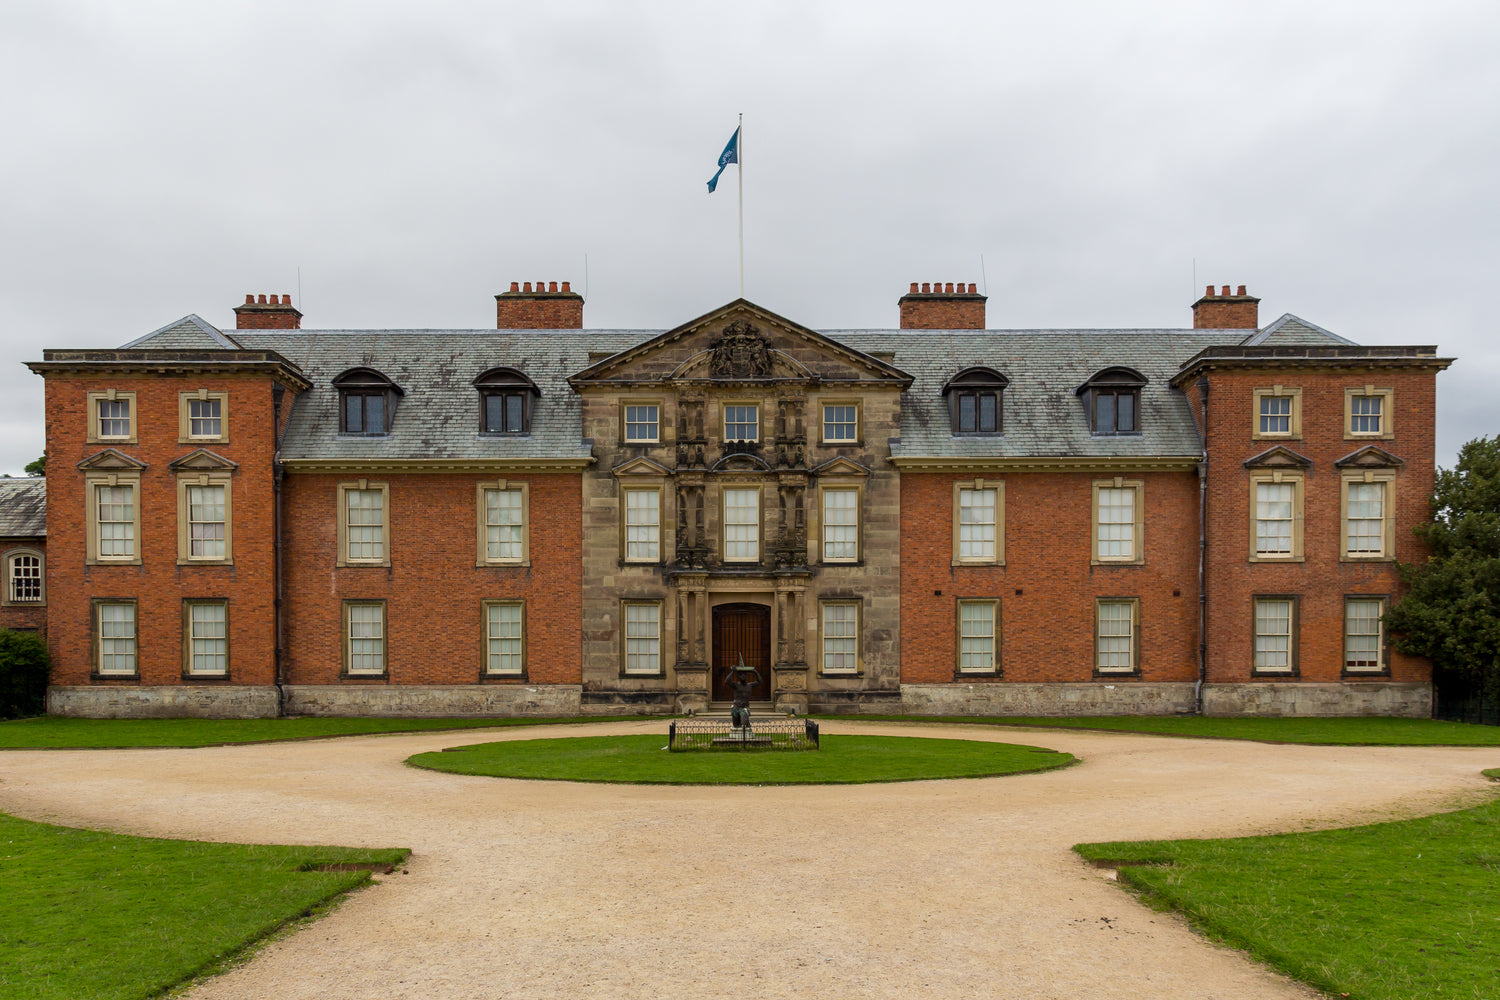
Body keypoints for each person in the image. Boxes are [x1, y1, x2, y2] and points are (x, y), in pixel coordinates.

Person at [723, 658, 761, 729]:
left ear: (746, 676)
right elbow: (726, 681)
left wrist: (755, 672)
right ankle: (745, 723)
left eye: (744, 674)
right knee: (735, 725)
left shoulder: (749, 685)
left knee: (744, 723)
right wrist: (733, 672)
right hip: (736, 707)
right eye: (740, 674)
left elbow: (759, 681)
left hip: (744, 707)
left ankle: (746, 723)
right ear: (738, 676)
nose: (743, 676)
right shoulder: (736, 685)